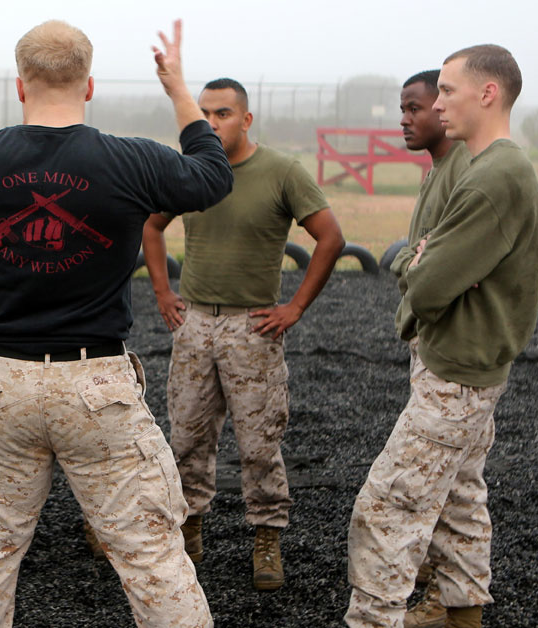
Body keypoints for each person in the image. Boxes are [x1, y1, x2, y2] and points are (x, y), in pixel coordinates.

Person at [0, 19, 233, 627]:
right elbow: (211, 175)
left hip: (0, 384)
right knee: (152, 557)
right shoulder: (132, 160)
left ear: (20, 87)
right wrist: (179, 88)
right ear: (90, 85)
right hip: (96, 384)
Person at [344, 45, 538, 628]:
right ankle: (462, 614)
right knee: (459, 498)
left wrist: (424, 264)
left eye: (448, 91)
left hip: (457, 373)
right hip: (466, 364)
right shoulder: (487, 168)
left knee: (385, 511)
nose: (437, 102)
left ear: (488, 94)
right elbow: (431, 262)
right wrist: (429, 259)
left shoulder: (493, 177)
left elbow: (428, 283)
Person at [141, 77, 344, 591]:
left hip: (252, 327)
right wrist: (164, 293)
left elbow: (330, 237)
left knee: (258, 444)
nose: (211, 122)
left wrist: (295, 307)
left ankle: (267, 537)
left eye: (223, 113)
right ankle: (189, 529)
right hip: (195, 326)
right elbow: (151, 224)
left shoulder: (281, 172)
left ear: (246, 119)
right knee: (186, 436)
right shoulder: (192, 172)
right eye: (204, 113)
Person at [392, 68, 473, 628]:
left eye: (416, 107)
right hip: (430, 339)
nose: (407, 118)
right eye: (405, 108)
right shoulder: (438, 170)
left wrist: (408, 264)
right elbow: (416, 258)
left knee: (428, 483)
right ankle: (455, 599)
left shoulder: (462, 172)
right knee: (461, 482)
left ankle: (447, 597)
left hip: (449, 349)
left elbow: (431, 265)